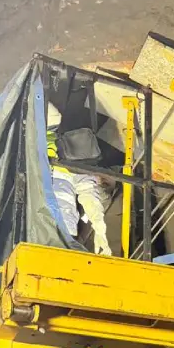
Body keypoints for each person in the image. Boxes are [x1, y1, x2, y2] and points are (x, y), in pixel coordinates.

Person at [46, 103, 112, 255]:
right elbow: (87, 189)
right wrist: (97, 221)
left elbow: (87, 189)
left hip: (46, 228)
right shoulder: (69, 150)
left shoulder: (65, 150)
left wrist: (98, 223)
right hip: (61, 228)